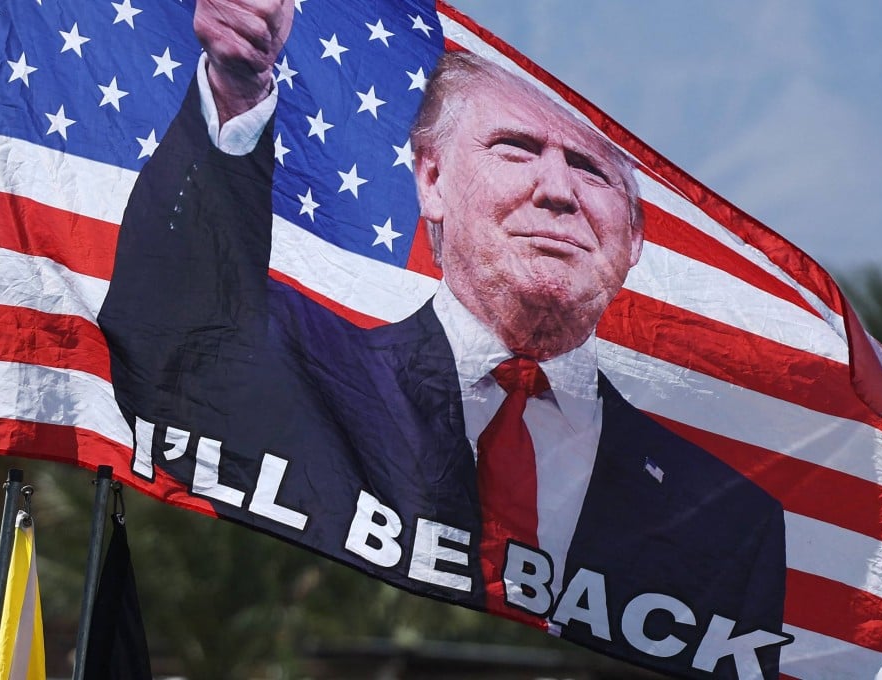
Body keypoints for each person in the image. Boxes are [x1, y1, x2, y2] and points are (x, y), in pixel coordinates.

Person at [99, 1, 789, 676]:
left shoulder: (728, 516)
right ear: (431, 180)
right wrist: (234, 89)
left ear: (633, 237)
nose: (558, 190)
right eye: (516, 148)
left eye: (592, 169)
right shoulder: (307, 368)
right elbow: (171, 319)